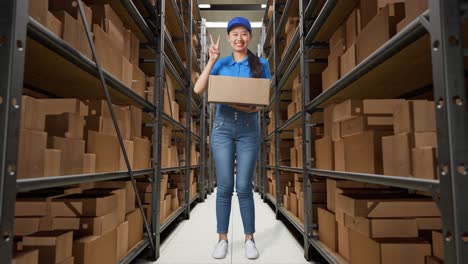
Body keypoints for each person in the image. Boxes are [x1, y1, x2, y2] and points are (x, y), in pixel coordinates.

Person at [193, 16, 271, 260]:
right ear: (229, 38)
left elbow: (262, 101)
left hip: (249, 128)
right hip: (223, 128)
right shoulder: (221, 64)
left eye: (244, 33)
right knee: (225, 186)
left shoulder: (261, 65)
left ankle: (249, 239)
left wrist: (247, 107)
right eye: (234, 34)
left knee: (244, 187)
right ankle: (222, 239)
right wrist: (211, 60)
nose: (240, 38)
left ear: (250, 37)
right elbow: (198, 89)